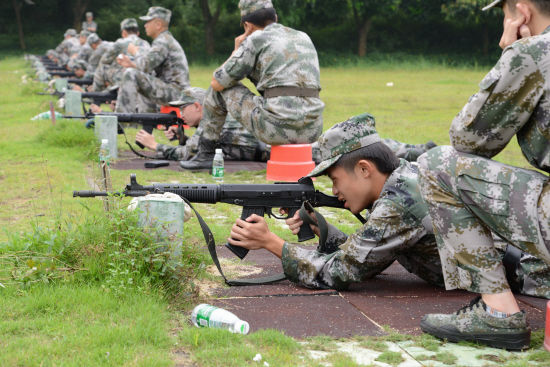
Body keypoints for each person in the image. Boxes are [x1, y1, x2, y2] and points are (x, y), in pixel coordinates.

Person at [227, 114, 550, 299]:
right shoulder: (403, 182)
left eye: (336, 179)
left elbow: (341, 272)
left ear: (365, 169)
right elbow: (370, 252)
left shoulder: (398, 203)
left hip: (531, 275)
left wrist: (271, 243)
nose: (335, 190)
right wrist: (322, 228)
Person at [417, 0, 550, 350]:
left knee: (437, 165)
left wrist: (511, 52)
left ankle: (499, 314)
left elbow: (468, 139)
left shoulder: (535, 52)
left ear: (521, 12)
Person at [180, 0, 324, 170]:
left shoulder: (256, 39)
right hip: (313, 129)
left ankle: (206, 154)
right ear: (275, 17)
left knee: (218, 89)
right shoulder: (302, 36)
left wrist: (237, 50)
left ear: (247, 25)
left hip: (276, 129)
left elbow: (218, 82)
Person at [135, 87, 269, 162]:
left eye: (183, 108)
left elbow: (186, 154)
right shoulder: (219, 116)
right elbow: (209, 146)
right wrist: (184, 139)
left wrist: (154, 145)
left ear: (197, 106)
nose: (181, 114)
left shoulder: (210, 122)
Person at [115, 6, 190, 114]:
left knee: (131, 74)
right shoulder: (164, 39)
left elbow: (145, 65)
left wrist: (135, 51)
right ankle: (147, 122)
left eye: (148, 22)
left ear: (158, 24)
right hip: (175, 91)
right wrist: (132, 64)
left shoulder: (163, 41)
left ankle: (121, 120)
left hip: (176, 93)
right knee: (141, 77)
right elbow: (147, 69)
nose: (145, 25)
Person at [93, 18, 150, 92]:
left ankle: (96, 95)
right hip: (144, 78)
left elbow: (104, 60)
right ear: (138, 33)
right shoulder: (146, 44)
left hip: (125, 77)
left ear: (124, 32)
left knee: (102, 66)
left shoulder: (120, 42)